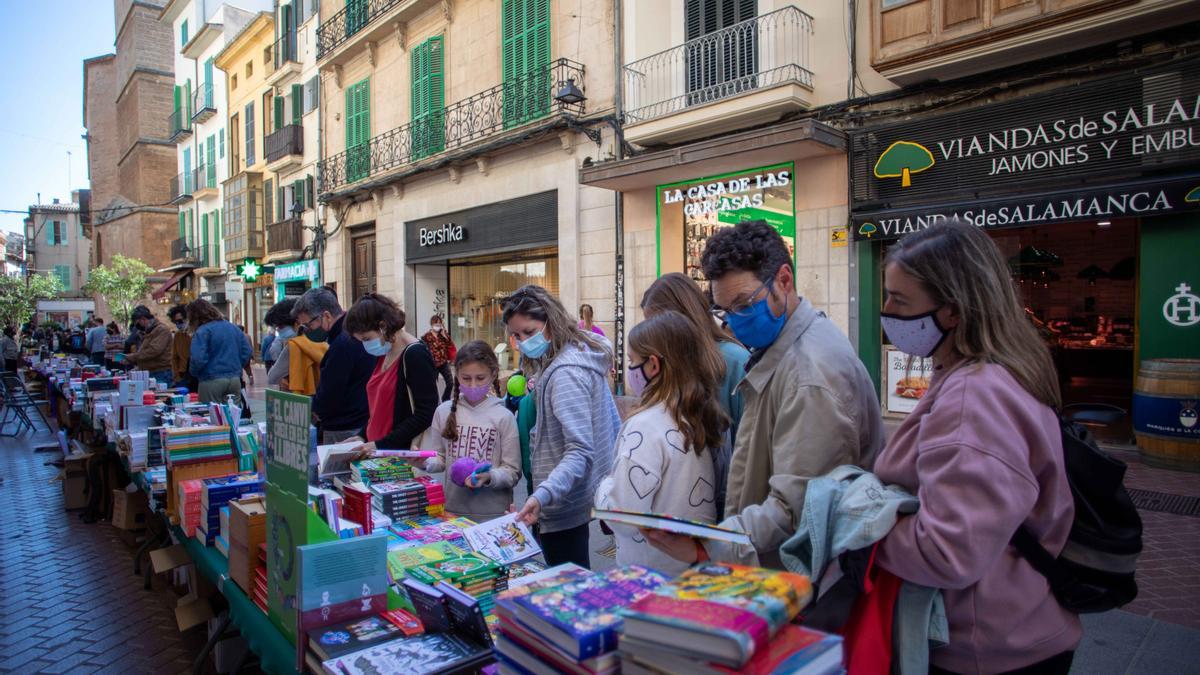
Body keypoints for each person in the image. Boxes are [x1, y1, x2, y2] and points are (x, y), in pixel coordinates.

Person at [866, 221, 1079, 674]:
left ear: (955, 311)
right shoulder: (986, 371)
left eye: (899, 300)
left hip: (985, 647)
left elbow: (949, 551)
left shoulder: (972, 396)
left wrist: (860, 525)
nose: (885, 310)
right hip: (1012, 627)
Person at [645, 220, 884, 567]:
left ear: (783, 281)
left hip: (795, 579)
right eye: (725, 310)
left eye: (744, 304)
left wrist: (708, 545)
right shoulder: (783, 350)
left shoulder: (809, 374)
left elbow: (795, 508)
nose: (735, 320)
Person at [595, 311, 728, 576]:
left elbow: (624, 516)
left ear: (653, 365)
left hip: (649, 574)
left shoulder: (645, 425)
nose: (630, 369)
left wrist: (603, 486)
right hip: (692, 568)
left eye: (632, 361)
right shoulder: (694, 414)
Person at [504, 285, 620, 568]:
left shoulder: (566, 372)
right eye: (517, 335)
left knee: (568, 586)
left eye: (529, 332)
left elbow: (580, 450)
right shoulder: (573, 354)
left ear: (550, 322)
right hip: (568, 495)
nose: (523, 342)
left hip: (562, 501)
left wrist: (542, 495)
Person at [641, 272, 749, 512]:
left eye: (658, 324)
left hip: (727, 510)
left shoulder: (734, 362)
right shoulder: (669, 363)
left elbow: (750, 451)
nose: (655, 335)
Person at [420, 340, 521, 522]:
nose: (473, 385)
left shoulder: (504, 417)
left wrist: (489, 476)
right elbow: (439, 458)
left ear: (493, 374)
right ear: (456, 374)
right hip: (452, 512)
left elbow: (512, 471)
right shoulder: (443, 412)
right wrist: (422, 461)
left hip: (494, 515)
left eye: (480, 378)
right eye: (466, 378)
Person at [343, 293, 438, 451]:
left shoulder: (415, 354)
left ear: (383, 326)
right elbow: (380, 408)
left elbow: (426, 413)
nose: (365, 345)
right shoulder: (383, 352)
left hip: (400, 454)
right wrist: (363, 435)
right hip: (379, 452)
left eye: (366, 339)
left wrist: (380, 444)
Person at [292, 286, 376, 443]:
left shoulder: (342, 343)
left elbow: (331, 392)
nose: (308, 330)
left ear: (326, 316)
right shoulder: (349, 334)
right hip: (356, 420)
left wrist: (317, 407)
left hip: (346, 427)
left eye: (309, 325)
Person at [187, 299, 251, 403]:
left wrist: (194, 373)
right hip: (234, 378)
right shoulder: (233, 328)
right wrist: (238, 365)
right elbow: (247, 351)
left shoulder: (203, 331)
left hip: (211, 379)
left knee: (211, 414)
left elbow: (198, 358)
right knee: (233, 414)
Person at [124, 306, 174, 384]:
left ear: (143, 319)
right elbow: (142, 350)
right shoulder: (147, 331)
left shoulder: (161, 330)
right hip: (150, 371)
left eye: (138, 323)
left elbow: (154, 351)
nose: (138, 327)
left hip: (160, 372)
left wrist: (133, 357)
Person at [264, 299, 300, 389]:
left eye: (280, 326)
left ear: (296, 323)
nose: (278, 330)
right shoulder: (321, 341)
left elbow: (272, 377)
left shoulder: (293, 346)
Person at [422, 315, 457, 402]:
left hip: (443, 362)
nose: (437, 325)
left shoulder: (443, 335)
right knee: (432, 384)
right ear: (432, 324)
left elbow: (450, 345)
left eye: (439, 323)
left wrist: (445, 335)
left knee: (450, 383)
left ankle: (445, 399)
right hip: (432, 363)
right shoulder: (426, 336)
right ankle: (433, 401)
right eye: (435, 323)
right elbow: (423, 349)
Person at [167, 305, 194, 389]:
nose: (178, 324)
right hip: (182, 376)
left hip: (196, 375)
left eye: (180, 321)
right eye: (176, 322)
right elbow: (174, 357)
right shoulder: (178, 336)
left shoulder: (198, 332)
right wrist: (176, 376)